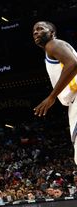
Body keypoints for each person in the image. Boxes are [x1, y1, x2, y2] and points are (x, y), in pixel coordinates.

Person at [32, 21, 77, 165]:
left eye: (40, 29)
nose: (36, 32)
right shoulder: (55, 49)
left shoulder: (52, 44)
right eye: (34, 31)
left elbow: (72, 63)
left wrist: (51, 97)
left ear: (52, 33)